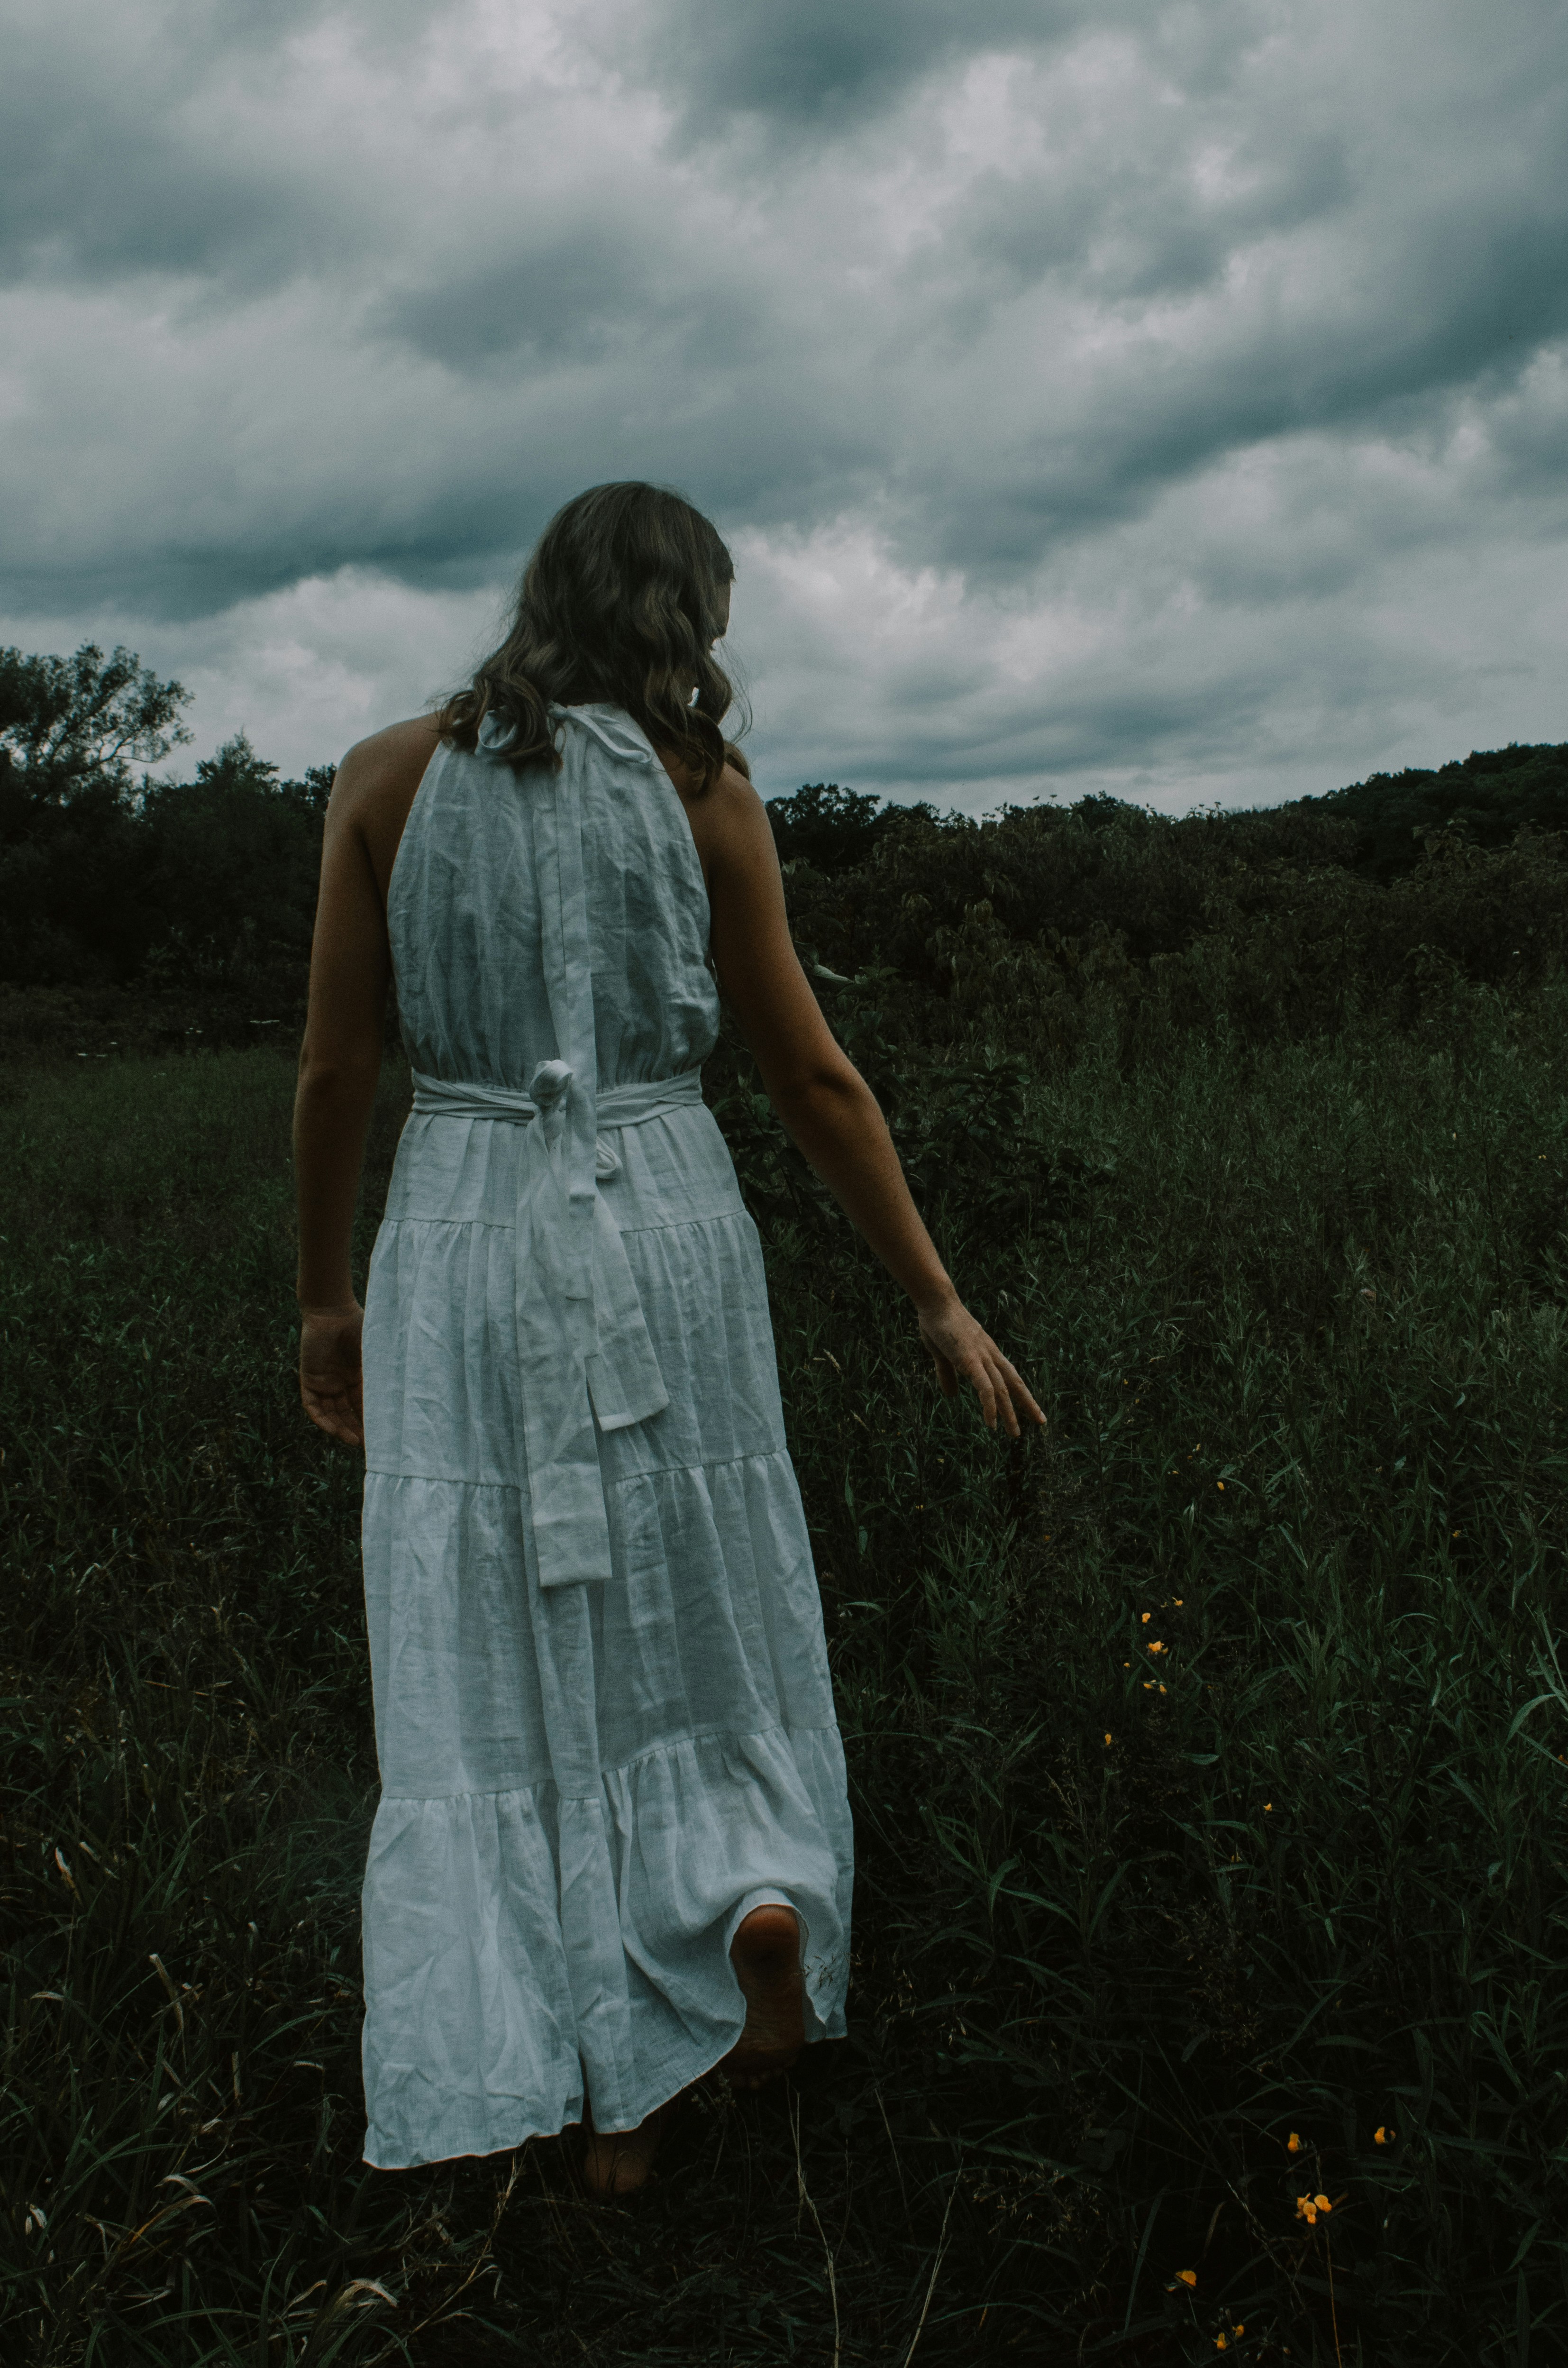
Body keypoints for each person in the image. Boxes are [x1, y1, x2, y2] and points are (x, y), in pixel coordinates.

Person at [294, 481, 1045, 2195]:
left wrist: (326, 1292)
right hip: (666, 1213)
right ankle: (740, 1906)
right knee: (684, 1585)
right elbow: (812, 1077)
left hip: (471, 1216)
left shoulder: (381, 778)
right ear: (685, 618)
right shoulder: (707, 797)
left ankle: (598, 2090)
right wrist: (933, 1293)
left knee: (490, 1615)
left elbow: (337, 1073)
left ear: (537, 592)